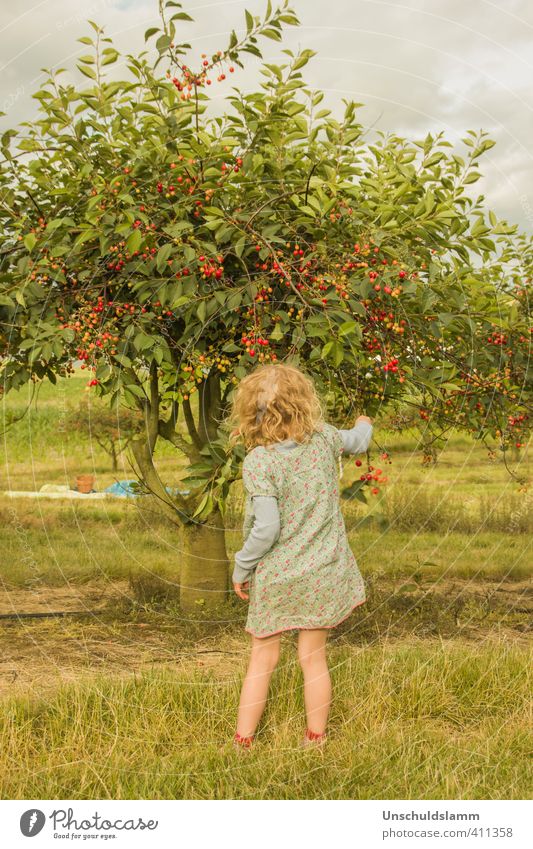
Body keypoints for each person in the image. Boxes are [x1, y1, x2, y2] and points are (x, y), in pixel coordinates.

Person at [227, 362, 373, 749]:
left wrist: (242, 566)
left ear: (250, 412)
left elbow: (267, 529)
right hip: (322, 571)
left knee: (262, 657)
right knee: (313, 656)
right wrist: (364, 422)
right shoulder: (324, 438)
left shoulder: (260, 462)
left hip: (277, 576)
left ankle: (243, 741)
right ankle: (315, 738)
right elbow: (358, 441)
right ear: (304, 404)